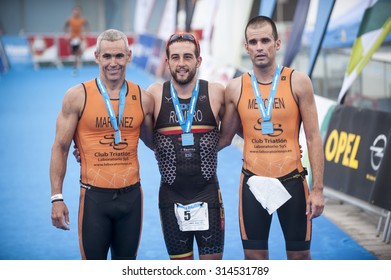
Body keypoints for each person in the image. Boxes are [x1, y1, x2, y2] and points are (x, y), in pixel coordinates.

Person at [218, 16, 325, 260]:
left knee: (299, 259)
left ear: (277, 44)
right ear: (246, 47)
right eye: (253, 42)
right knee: (255, 260)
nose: (259, 47)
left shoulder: (298, 82)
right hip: (253, 183)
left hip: (293, 180)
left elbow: (313, 137)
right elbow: (226, 136)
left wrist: (318, 189)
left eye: (265, 40)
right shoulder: (235, 88)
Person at [49, 29, 154, 260]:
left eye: (118, 56)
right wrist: (56, 197)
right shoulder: (77, 96)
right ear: (96, 56)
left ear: (129, 55)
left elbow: (154, 142)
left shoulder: (143, 98)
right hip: (94, 199)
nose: (113, 63)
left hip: (132, 198)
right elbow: (61, 147)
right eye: (107, 56)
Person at [146, 33, 226, 260]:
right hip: (171, 195)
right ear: (167, 61)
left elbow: (230, 135)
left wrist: (208, 148)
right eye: (176, 57)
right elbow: (140, 134)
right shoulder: (153, 95)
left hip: (208, 193)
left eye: (188, 57)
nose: (181, 63)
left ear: (199, 61)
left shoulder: (216, 92)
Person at [64, 6, 90, 71]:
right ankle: (76, 61)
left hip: (79, 37)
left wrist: (86, 33)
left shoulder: (82, 19)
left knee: (78, 51)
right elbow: (65, 26)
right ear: (73, 12)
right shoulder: (70, 19)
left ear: (79, 12)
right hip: (72, 37)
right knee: (73, 52)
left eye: (77, 11)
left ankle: (77, 62)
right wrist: (66, 34)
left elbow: (87, 25)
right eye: (75, 11)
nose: (76, 13)